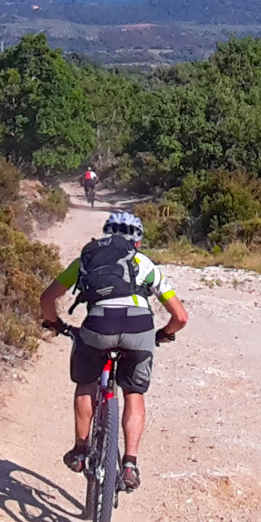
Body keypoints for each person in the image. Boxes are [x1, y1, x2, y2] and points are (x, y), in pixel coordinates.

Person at [40, 211, 187, 492]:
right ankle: (130, 463)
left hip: (98, 327)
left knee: (86, 383)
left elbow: (47, 298)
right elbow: (180, 317)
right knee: (134, 393)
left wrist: (55, 323)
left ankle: (81, 451)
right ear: (138, 242)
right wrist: (163, 334)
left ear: (107, 235)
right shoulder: (146, 264)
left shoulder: (86, 259)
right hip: (139, 330)